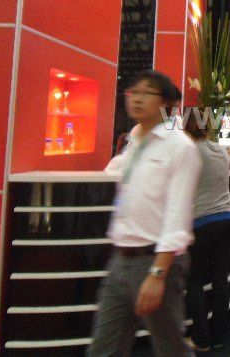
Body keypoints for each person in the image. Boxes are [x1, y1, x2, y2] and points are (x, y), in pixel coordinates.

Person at [88, 70, 201, 357]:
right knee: (104, 348)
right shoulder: (134, 141)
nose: (137, 99)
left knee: (170, 349)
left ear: (165, 102)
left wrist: (158, 274)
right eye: (133, 92)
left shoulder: (180, 147)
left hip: (155, 262)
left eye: (146, 93)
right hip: (121, 259)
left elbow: (178, 217)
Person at [183, 109, 230, 352]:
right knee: (219, 278)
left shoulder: (188, 152)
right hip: (227, 219)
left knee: (194, 279)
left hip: (201, 222)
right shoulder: (220, 150)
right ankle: (219, 334)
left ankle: (201, 338)